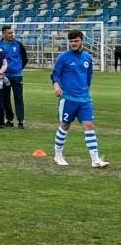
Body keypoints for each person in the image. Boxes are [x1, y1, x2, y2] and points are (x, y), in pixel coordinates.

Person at [52, 30, 109, 168]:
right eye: (71, 41)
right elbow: (55, 75)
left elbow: (88, 78)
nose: (73, 44)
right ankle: (58, 155)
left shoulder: (87, 58)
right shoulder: (63, 57)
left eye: (76, 41)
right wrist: (56, 86)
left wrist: (87, 94)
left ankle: (95, 160)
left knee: (89, 126)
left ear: (82, 41)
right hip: (68, 99)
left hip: (84, 100)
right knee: (65, 126)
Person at [0, 25, 28, 128]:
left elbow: (25, 58)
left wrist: (19, 68)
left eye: (12, 32)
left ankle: (20, 121)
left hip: (17, 76)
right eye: (9, 33)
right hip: (5, 76)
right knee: (5, 98)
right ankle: (9, 119)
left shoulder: (18, 44)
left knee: (18, 98)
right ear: (4, 34)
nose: (11, 35)